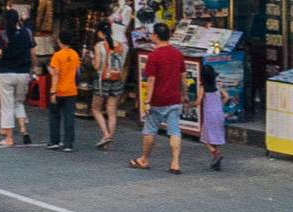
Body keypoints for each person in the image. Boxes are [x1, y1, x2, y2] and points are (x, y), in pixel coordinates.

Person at [131, 22, 191, 172]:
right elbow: (183, 77)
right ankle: (175, 163)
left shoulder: (153, 56)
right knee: (175, 131)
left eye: (152, 34)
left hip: (158, 100)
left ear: (156, 36)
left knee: (150, 130)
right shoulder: (178, 54)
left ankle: (144, 159)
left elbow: (151, 80)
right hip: (174, 98)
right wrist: (184, 95)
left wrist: (147, 100)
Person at [0, 5, 35, 146]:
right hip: (23, 73)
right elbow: (33, 53)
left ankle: (9, 138)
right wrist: (33, 69)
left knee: (7, 106)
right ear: (18, 19)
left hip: (6, 73)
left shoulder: (3, 35)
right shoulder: (27, 33)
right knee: (19, 102)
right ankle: (24, 130)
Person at [42, 25, 81, 149]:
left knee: (54, 115)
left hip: (59, 90)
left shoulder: (57, 56)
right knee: (69, 118)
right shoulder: (75, 54)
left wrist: (53, 91)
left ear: (60, 41)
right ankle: (68, 143)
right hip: (71, 90)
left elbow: (56, 74)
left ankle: (54, 141)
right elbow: (77, 72)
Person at [90, 30, 125, 148]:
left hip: (103, 80)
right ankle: (109, 140)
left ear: (101, 33)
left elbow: (97, 66)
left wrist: (91, 59)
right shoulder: (120, 45)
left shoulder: (99, 46)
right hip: (116, 79)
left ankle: (105, 134)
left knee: (96, 108)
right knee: (112, 111)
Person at [199, 58, 228, 170]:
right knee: (217, 135)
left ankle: (215, 153)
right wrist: (219, 105)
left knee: (204, 137)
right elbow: (226, 97)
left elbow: (198, 101)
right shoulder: (217, 86)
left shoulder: (203, 87)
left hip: (209, 114)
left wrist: (189, 104)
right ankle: (216, 160)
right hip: (219, 113)